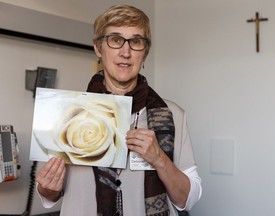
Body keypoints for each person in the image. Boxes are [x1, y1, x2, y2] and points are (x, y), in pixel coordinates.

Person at [36, 5, 202, 216]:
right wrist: (48, 188)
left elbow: (188, 200)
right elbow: (47, 194)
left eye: (135, 42)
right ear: (98, 48)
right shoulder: (65, 113)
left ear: (145, 52)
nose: (126, 52)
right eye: (115, 40)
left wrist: (159, 159)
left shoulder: (173, 114)